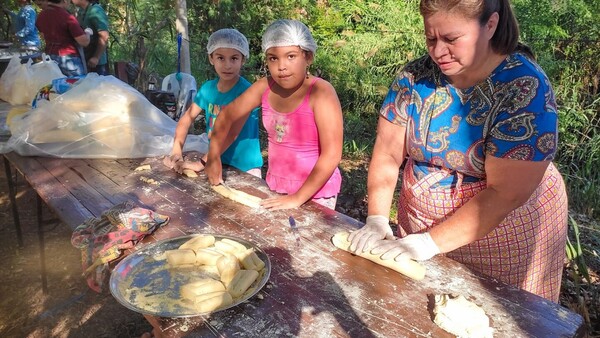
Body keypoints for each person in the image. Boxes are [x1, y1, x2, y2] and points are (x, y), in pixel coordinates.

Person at [348, 0, 568, 302]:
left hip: (504, 229)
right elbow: (387, 155)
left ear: (490, 25)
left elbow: (505, 193)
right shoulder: (414, 79)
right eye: (431, 38)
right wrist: (376, 218)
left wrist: (427, 244)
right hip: (420, 219)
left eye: (451, 39)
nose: (438, 51)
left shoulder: (524, 88)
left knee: (496, 315)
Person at [205, 19, 343, 210]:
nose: (281, 66)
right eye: (273, 58)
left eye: (291, 56)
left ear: (308, 57)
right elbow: (227, 115)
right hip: (276, 187)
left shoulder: (321, 92)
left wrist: (297, 198)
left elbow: (332, 154)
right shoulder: (265, 87)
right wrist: (213, 157)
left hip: (316, 193)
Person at [164, 29, 263, 179]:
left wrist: (201, 163)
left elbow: (231, 133)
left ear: (243, 60)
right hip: (216, 161)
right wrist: (177, 151)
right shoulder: (207, 90)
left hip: (245, 167)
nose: (227, 65)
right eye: (221, 58)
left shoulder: (247, 92)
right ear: (211, 58)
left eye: (234, 58)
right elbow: (186, 120)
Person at [36, 0, 90, 77]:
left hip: (51, 57)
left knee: (57, 86)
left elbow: (43, 36)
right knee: (78, 86)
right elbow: (84, 42)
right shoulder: (67, 17)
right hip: (69, 59)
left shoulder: (40, 16)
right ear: (64, 1)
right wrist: (88, 33)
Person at [72, 0, 109, 75]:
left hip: (97, 63)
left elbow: (104, 35)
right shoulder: (81, 11)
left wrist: (96, 57)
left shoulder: (95, 10)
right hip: (86, 59)